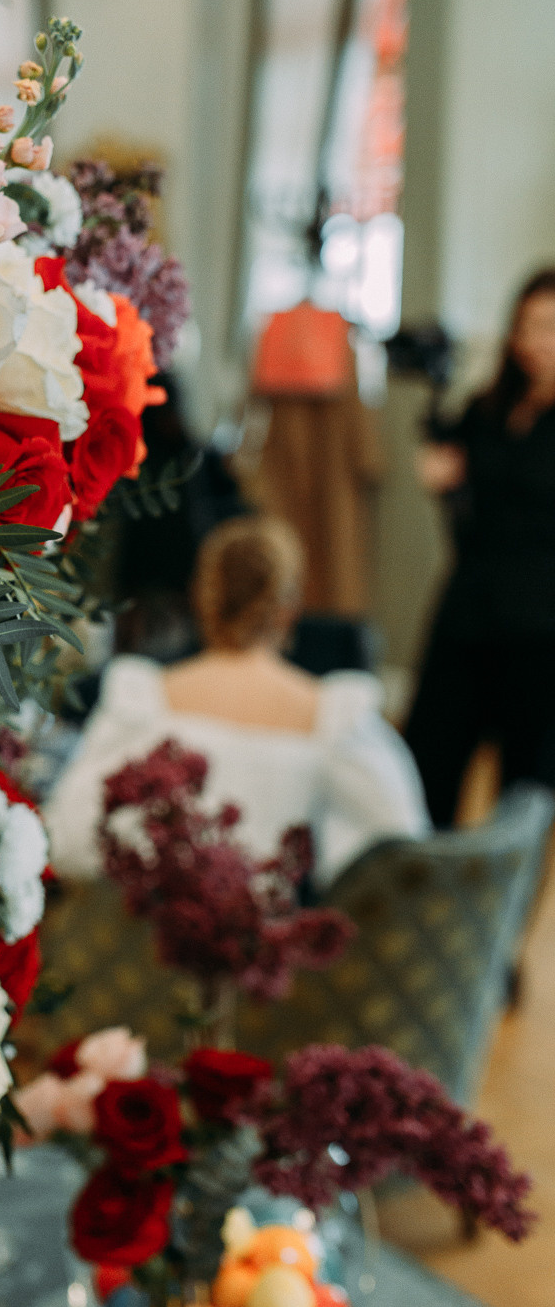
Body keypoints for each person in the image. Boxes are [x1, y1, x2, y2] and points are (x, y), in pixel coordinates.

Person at [45, 514, 427, 886]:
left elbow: (70, 841)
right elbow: (402, 850)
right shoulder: (334, 716)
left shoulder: (143, 700)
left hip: (156, 935)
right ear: (288, 607)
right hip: (280, 940)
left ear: (202, 597)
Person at [404, 268, 555, 828]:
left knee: (524, 789)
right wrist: (444, 485)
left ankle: (507, 904)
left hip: (540, 629)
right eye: (532, 326)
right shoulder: (485, 413)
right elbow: (469, 524)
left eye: (553, 327)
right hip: (468, 610)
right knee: (427, 762)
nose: (541, 340)